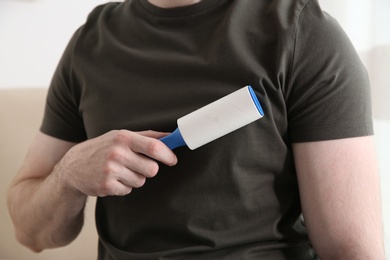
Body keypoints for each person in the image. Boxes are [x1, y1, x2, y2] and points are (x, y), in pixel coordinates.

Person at [7, 0, 385, 259]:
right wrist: (69, 175)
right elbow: (32, 234)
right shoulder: (88, 45)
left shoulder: (304, 34)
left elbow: (353, 251)